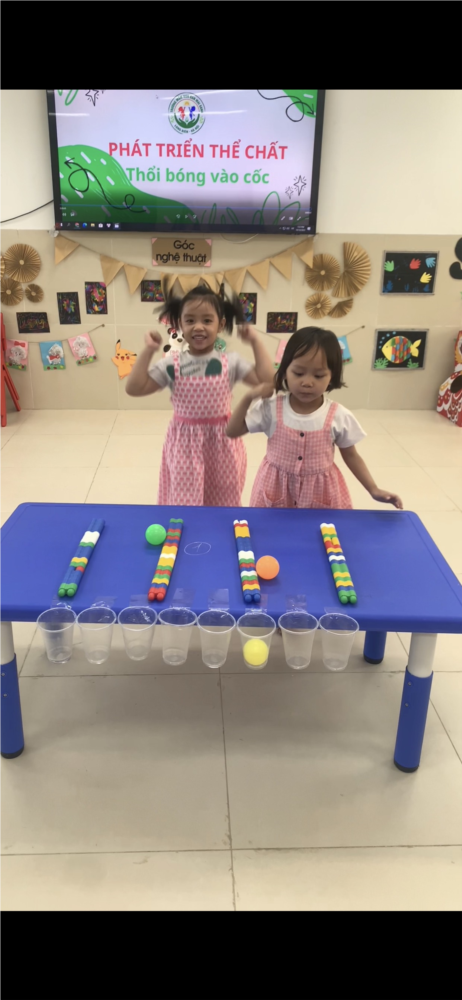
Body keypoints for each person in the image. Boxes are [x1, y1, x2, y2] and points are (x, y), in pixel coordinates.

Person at [125, 284, 274, 506]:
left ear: (220, 324)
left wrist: (255, 341)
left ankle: (219, 526)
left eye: (207, 320)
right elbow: (134, 388)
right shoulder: (171, 364)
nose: (198, 327)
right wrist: (148, 350)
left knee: (223, 495)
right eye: (190, 320)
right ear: (179, 324)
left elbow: (268, 381)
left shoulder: (230, 362)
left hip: (223, 440)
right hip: (185, 442)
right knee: (184, 498)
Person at [226, 326, 404, 510]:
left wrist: (373, 489)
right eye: (298, 373)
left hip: (320, 493)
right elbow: (232, 431)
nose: (307, 382)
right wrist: (248, 397)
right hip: (275, 490)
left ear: (332, 376)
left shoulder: (338, 415)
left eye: (319, 375)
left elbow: (351, 455)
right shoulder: (271, 408)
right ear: (285, 370)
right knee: (273, 528)